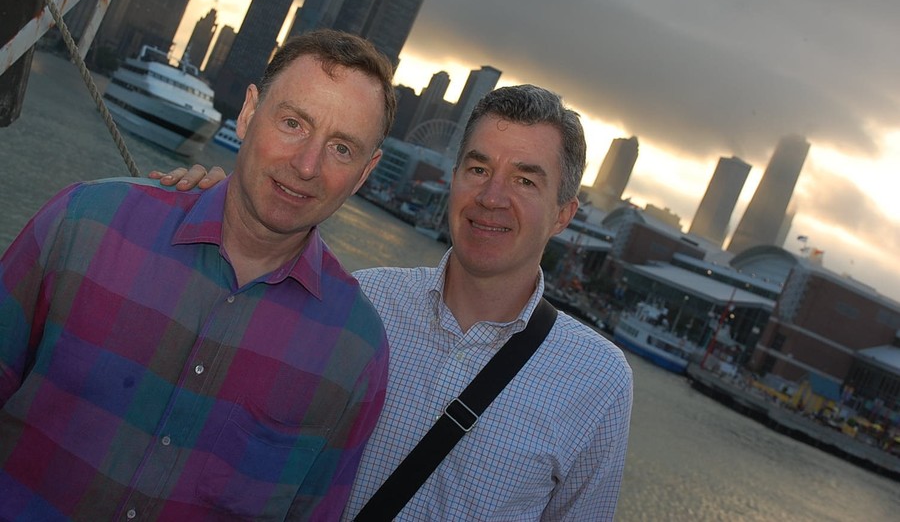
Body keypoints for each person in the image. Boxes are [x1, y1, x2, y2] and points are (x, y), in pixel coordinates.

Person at [158, 84, 634, 520]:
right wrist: (226, 209)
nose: (492, 197)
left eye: (525, 181)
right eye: (478, 169)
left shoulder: (599, 381)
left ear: (563, 215)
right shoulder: (362, 302)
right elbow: (224, 396)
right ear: (454, 178)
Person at [0, 30, 396, 520]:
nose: (307, 165)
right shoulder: (86, 223)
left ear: (365, 173)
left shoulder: (355, 352)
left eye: (341, 148)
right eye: (293, 123)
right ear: (249, 112)